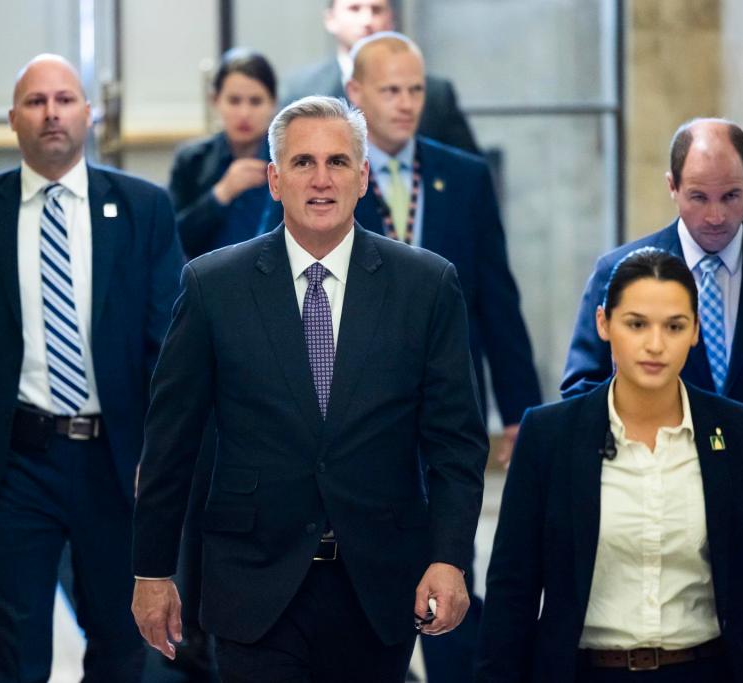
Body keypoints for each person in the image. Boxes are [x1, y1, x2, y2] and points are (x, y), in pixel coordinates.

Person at [131, 96, 488, 683]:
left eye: (338, 162)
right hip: (253, 583)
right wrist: (152, 570)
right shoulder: (213, 286)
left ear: (363, 176)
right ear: (274, 179)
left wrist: (448, 558)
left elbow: (456, 443)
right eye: (302, 163)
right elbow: (171, 443)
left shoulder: (426, 286)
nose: (321, 180)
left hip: (378, 581)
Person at [477, 247, 743, 682]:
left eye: (674, 326)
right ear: (604, 323)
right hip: (587, 671)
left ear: (696, 330)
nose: (655, 344)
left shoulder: (741, 432)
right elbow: (512, 593)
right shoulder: (548, 436)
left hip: (707, 670)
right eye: (636, 324)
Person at [0, 53, 183, 681]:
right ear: (12, 119)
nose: (52, 112)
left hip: (115, 462)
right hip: (16, 462)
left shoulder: (142, 207)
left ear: (89, 113)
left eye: (65, 99)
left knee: (119, 640)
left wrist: (159, 452)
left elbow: (168, 344)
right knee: (16, 645)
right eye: (36, 102)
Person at [561, 118, 743, 595]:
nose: (715, 216)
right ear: (672, 186)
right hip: (653, 515)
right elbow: (580, 396)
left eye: (731, 196)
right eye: (697, 197)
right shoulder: (619, 271)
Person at [345, 32, 539, 682]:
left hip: (449, 402)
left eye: (415, 90)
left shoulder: (465, 175)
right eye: (390, 90)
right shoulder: (331, 175)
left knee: (453, 558)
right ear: (356, 94)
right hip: (360, 410)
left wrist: (520, 411)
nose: (405, 104)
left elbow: (497, 300)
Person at [281, 0, 478, 154]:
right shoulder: (302, 91)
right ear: (330, 19)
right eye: (354, 8)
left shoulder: (436, 94)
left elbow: (467, 172)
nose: (367, 20)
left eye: (376, 10)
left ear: (391, 19)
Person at [169, 47, 283, 260]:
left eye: (256, 101)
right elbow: (171, 238)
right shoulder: (192, 160)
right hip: (207, 281)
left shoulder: (289, 161)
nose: (244, 113)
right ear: (215, 100)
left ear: (273, 103)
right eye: (234, 101)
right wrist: (221, 194)